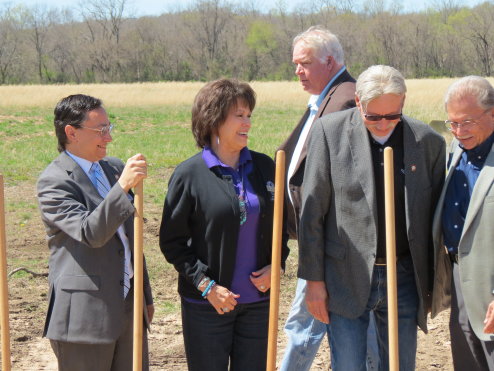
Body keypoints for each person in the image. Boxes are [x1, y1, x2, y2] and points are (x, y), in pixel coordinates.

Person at [298, 65, 445, 370]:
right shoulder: (329, 132)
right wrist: (313, 280)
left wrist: (434, 283)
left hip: (403, 277)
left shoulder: (428, 141)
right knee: (349, 365)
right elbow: (312, 213)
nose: (383, 124)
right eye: (373, 116)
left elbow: (435, 220)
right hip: (345, 275)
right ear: (359, 103)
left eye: (392, 116)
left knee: (400, 365)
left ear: (403, 102)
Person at [159, 78, 289, 371]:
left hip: (259, 305)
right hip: (208, 306)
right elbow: (172, 243)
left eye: (249, 116)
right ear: (214, 119)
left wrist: (276, 267)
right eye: (239, 116)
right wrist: (207, 286)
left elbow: (280, 231)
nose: (247, 123)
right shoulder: (189, 175)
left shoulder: (266, 167)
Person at [278, 25, 378, 371]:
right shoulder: (324, 99)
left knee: (308, 326)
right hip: (320, 239)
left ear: (330, 61)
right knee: (337, 327)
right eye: (295, 64)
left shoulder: (346, 99)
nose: (297, 71)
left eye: (304, 63)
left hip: (332, 243)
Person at [36, 94, 154, 371]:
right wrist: (122, 188)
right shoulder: (54, 181)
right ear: (71, 133)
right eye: (100, 130)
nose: (108, 137)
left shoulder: (112, 168)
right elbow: (91, 233)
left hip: (129, 307)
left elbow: (129, 239)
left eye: (109, 128)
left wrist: (144, 296)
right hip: (83, 318)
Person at [431, 76, 494, 371]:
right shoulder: (456, 151)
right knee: (468, 358)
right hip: (459, 274)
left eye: (466, 122)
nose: (458, 132)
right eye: (452, 123)